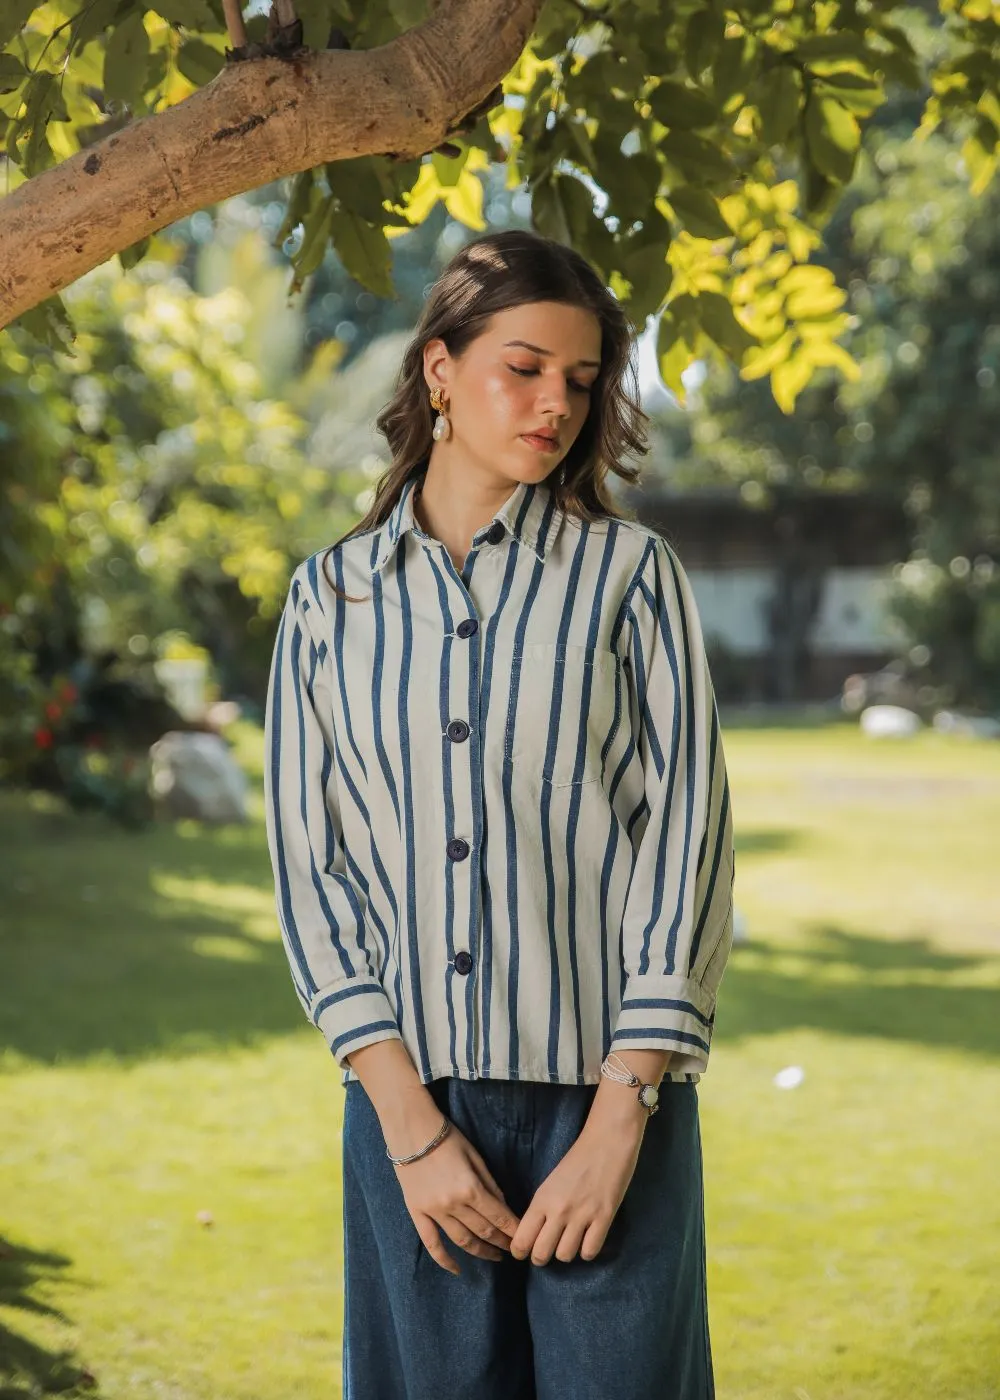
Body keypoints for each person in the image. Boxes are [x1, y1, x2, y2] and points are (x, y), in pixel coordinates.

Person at [263, 228, 735, 1400]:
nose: (554, 405)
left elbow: (687, 841)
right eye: (522, 367)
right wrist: (410, 1134)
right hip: (411, 1108)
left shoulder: (630, 576)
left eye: (580, 381)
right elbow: (311, 875)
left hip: (607, 1097)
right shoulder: (329, 600)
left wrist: (622, 1118)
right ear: (439, 370)